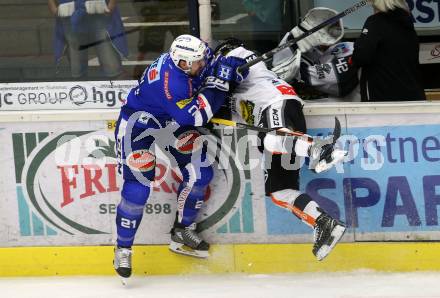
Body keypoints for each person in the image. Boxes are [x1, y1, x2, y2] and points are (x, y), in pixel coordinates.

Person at [112, 34, 248, 279]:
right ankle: (123, 247)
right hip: (138, 125)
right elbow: (195, 117)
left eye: (202, 58)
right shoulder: (173, 84)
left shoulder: (187, 62)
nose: (203, 63)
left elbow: (209, 71)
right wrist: (220, 83)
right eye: (198, 62)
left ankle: (183, 229)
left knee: (201, 172)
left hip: (171, 120)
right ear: (183, 63)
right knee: (137, 188)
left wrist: (230, 70)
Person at [214, 37, 347, 261]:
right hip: (278, 117)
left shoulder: (238, 54)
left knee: (271, 140)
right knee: (279, 190)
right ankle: (324, 223)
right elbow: (220, 109)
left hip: (276, 104)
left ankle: (318, 148)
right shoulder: (234, 87)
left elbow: (228, 74)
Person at [271, 7, 360, 101]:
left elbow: (336, 79)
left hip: (347, 109)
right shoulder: (301, 45)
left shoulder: (350, 50)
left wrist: (297, 74)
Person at [352, 0, 426, 101]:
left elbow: (360, 56)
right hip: (413, 96)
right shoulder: (407, 23)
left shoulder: (375, 22)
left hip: (383, 98)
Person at [48, 0, 128, 79]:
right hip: (70, 12)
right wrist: (53, 8)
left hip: (98, 11)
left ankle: (115, 84)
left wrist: (111, 5)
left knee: (112, 67)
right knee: (78, 71)